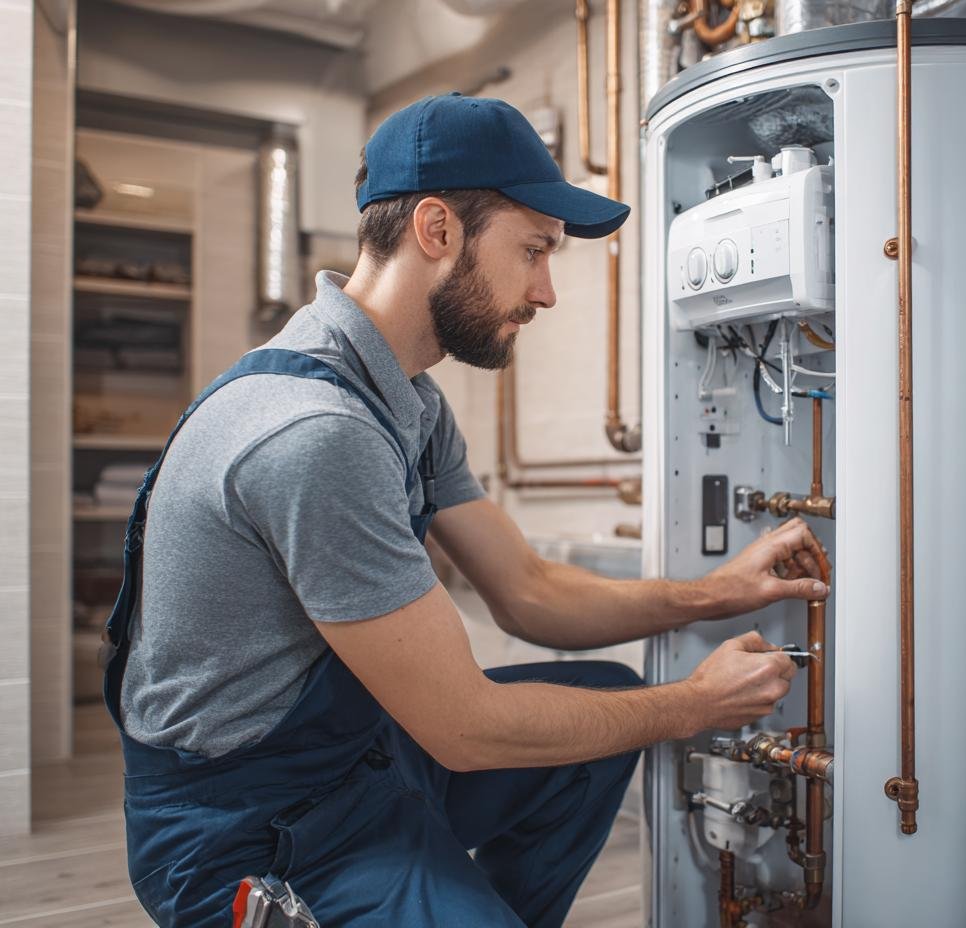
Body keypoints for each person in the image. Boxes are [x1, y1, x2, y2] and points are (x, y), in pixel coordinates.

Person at [103, 93, 829, 927]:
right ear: (437, 230)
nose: (546, 291)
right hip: (246, 833)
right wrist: (693, 704)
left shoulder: (403, 397)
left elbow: (525, 590)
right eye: (532, 252)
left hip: (357, 769)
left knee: (597, 713)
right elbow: (466, 729)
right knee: (603, 716)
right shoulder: (313, 433)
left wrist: (716, 592)